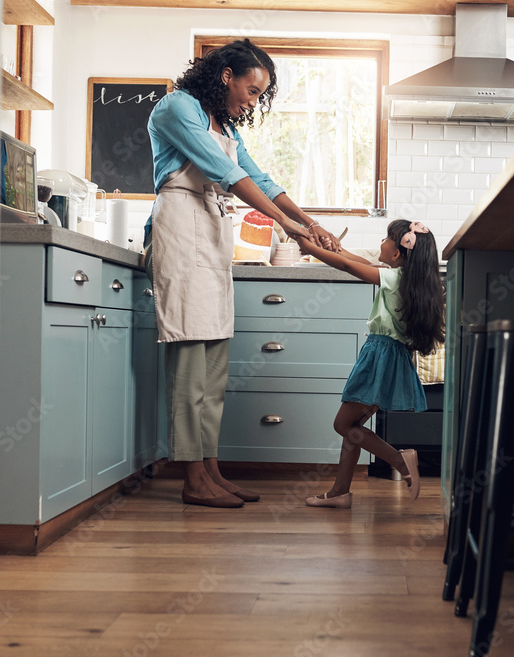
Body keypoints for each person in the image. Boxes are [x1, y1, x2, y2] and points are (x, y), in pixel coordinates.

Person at [143, 39, 342, 508]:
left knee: (214, 363)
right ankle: (192, 478)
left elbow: (262, 178)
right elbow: (223, 171)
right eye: (251, 90)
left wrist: (312, 223)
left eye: (259, 95)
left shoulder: (225, 125)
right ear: (226, 74)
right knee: (191, 361)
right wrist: (289, 226)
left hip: (211, 232)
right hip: (180, 225)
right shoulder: (177, 107)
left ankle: (211, 470)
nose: (252, 101)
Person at [294, 220, 445, 509]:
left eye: (387, 239)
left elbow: (352, 268)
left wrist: (309, 248)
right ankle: (340, 492)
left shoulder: (394, 279)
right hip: (390, 355)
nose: (382, 243)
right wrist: (339, 249)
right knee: (354, 425)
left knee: (343, 424)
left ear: (398, 254)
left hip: (380, 355)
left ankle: (400, 461)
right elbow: (358, 261)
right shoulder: (403, 277)